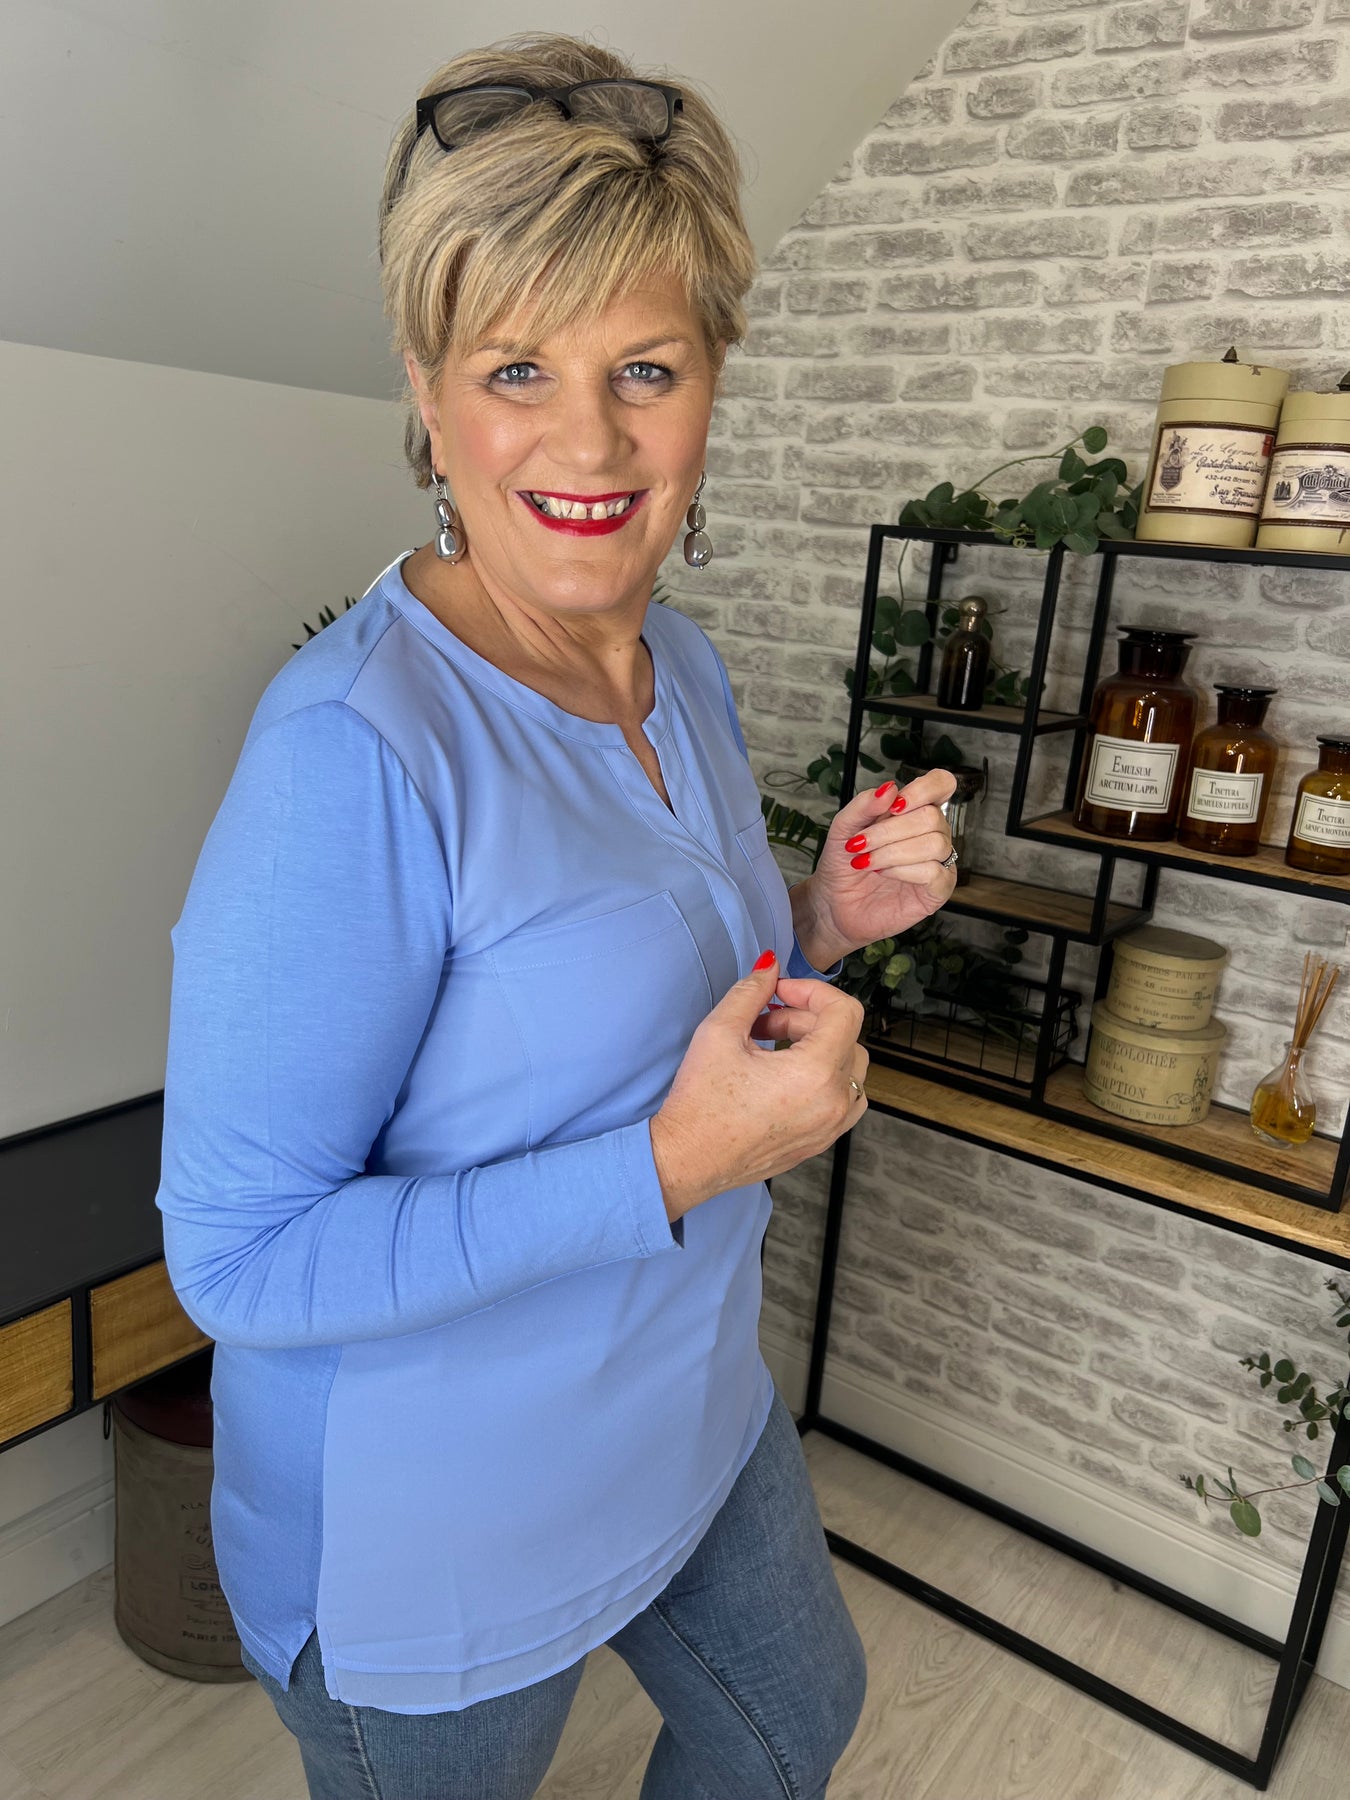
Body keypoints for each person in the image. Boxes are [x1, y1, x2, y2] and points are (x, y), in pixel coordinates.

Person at [155, 30, 958, 1800]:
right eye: (517, 367)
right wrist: (671, 1166)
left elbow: (647, 989)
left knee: (787, 1725)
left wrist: (821, 917)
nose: (589, 440)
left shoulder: (678, 664)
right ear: (428, 395)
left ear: (711, 383)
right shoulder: (354, 752)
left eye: (644, 369)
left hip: (687, 1409)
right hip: (436, 1528)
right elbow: (239, 1263)